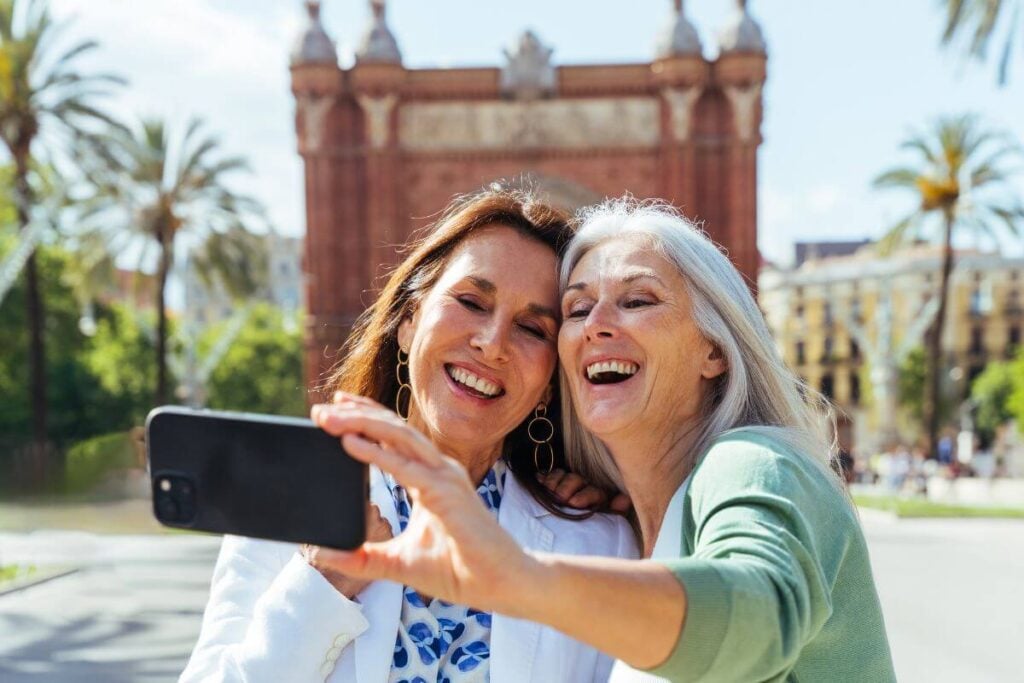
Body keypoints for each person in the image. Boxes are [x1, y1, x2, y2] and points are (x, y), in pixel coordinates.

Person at [312, 198, 897, 682]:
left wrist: (518, 578)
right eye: (577, 308)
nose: (596, 325)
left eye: (638, 300)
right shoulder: (620, 531)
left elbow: (763, 611)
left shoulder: (755, 463)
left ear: (715, 350)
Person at [180, 188, 637, 683]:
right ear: (407, 322)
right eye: (470, 301)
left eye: (531, 328)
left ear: (551, 384)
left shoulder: (597, 544)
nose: (492, 343)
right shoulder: (287, 498)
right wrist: (321, 583)